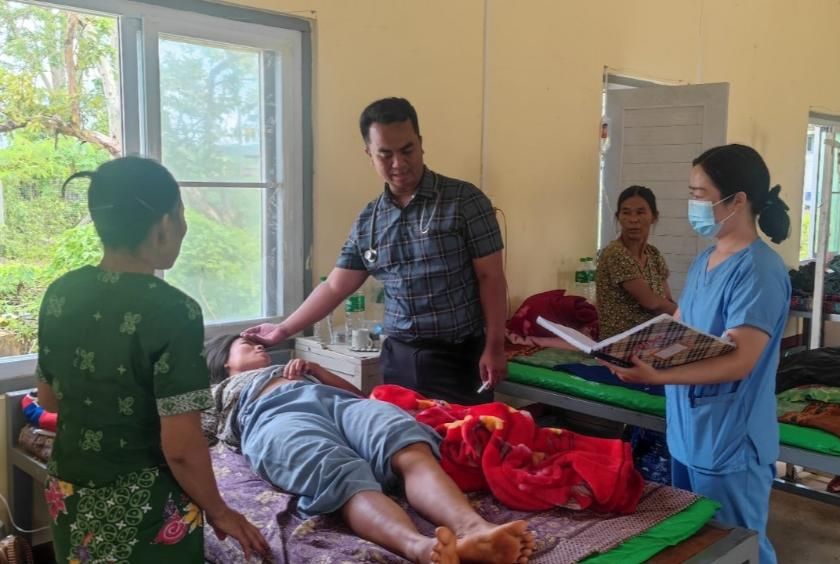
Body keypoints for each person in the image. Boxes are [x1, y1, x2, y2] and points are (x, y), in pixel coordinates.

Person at [36, 157, 268, 563]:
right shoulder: (174, 311)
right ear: (164, 223)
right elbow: (181, 447)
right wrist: (220, 511)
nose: (184, 227)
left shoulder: (60, 293)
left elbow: (49, 399)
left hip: (70, 489)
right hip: (142, 502)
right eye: (181, 214)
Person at [243, 97, 507, 405]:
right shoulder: (369, 221)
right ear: (369, 154)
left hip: (460, 358)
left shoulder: (464, 201)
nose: (399, 163)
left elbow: (491, 278)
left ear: (421, 144)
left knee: (465, 435)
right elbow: (335, 286)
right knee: (401, 434)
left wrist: (495, 346)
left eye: (407, 150)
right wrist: (283, 329)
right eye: (385, 154)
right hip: (398, 358)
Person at [603, 144, 792, 564]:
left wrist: (658, 377)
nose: (693, 204)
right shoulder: (707, 259)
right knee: (698, 544)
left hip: (730, 440)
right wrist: (630, 354)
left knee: (739, 547)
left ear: (737, 200)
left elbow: (740, 360)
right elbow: (680, 328)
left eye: (700, 194)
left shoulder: (758, 270)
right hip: (690, 433)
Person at [203, 335, 535, 564]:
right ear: (224, 364)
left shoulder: (292, 370)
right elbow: (187, 435)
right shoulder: (217, 392)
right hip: (273, 416)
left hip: (338, 404)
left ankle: (475, 529)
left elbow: (359, 397)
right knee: (339, 473)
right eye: (247, 345)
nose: (259, 346)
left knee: (404, 441)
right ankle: (422, 548)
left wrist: (317, 371)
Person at [597, 185, 676, 339]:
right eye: (626, 213)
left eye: (640, 212)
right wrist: (688, 317)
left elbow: (666, 300)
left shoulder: (653, 254)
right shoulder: (616, 253)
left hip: (653, 339)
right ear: (618, 217)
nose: (633, 220)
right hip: (622, 343)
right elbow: (652, 303)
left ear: (654, 217)